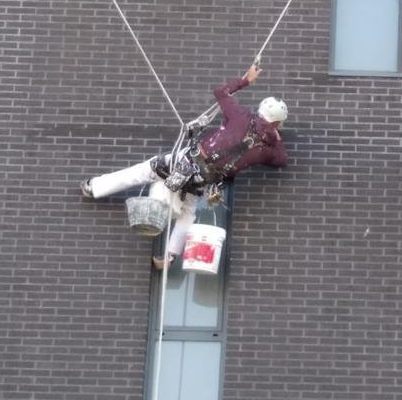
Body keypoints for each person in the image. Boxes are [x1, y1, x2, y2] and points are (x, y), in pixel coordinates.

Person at [81, 64, 288, 268]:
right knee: (187, 212)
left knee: (144, 171)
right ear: (277, 123)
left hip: (187, 161)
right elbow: (282, 159)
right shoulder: (267, 149)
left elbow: (220, 91)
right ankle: (170, 256)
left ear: (261, 110)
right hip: (203, 179)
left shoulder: (240, 115)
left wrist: (246, 80)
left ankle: (94, 187)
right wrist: (275, 136)